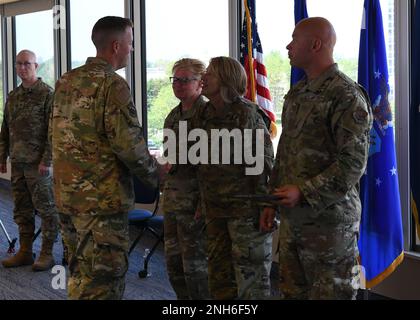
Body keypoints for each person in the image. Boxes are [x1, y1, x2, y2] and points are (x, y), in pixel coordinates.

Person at [260, 17, 373, 300]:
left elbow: (353, 164)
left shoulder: (345, 95)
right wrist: (271, 202)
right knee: (291, 293)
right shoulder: (298, 93)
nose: (288, 46)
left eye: (294, 39)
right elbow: (285, 152)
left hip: (329, 226)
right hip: (294, 221)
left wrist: (304, 191)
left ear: (315, 45)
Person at [51, 16, 158, 300]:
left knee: (80, 274)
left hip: (67, 199)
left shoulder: (65, 80)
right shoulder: (113, 85)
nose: (132, 49)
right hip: (101, 205)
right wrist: (157, 176)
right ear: (116, 45)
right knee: (103, 283)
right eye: (131, 43)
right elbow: (129, 146)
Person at [195, 56, 274, 300]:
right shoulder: (207, 112)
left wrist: (266, 207)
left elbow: (262, 165)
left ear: (226, 81)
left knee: (251, 281)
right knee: (219, 279)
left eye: (211, 73)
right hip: (215, 209)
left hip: (245, 212)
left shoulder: (247, 114)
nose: (203, 77)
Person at [0, 50, 58, 272]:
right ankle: (25, 251)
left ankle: (47, 253)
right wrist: (2, 157)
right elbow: (5, 129)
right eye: (19, 64)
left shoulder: (47, 95)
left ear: (37, 66)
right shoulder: (13, 96)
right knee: (21, 210)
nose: (22, 68)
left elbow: (54, 132)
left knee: (47, 210)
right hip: (18, 163)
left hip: (39, 165)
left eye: (27, 64)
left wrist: (47, 160)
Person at [162, 58, 210, 300]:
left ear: (201, 83)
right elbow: (169, 159)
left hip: (196, 204)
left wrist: (204, 202)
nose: (178, 85)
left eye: (185, 80)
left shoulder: (209, 115)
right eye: (175, 80)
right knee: (174, 266)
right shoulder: (172, 116)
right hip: (172, 202)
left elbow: (212, 166)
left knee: (197, 269)